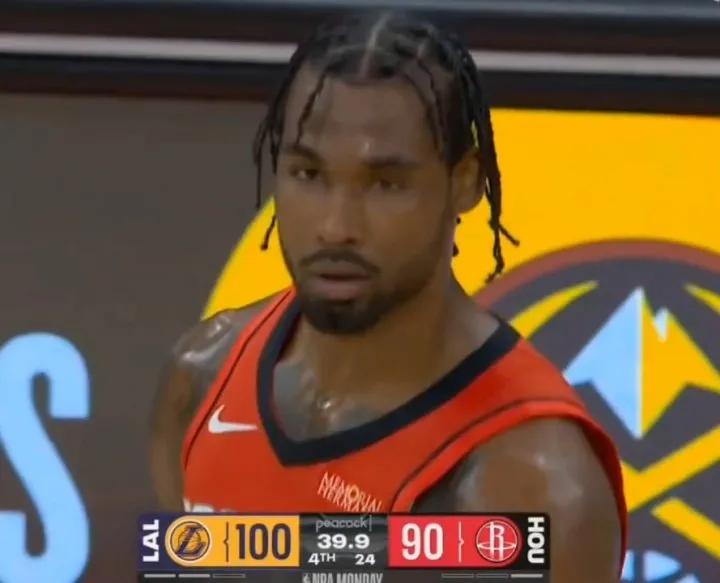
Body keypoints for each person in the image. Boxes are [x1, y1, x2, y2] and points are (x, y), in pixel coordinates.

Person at [150, 11, 626, 581]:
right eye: (308, 174)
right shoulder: (201, 377)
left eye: (385, 184)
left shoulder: (531, 485)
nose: (336, 226)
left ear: (465, 182)